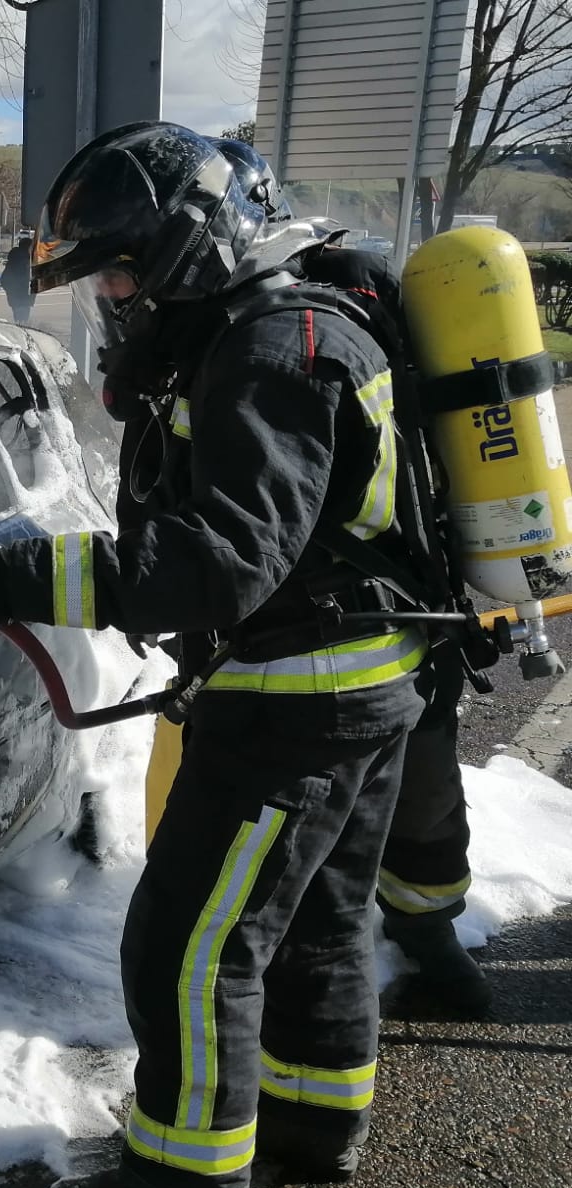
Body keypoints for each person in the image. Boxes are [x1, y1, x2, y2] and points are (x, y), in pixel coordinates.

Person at [0, 123, 431, 1188]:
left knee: (188, 949)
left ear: (194, 244)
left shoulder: (276, 353)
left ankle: (180, 1179)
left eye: (123, 268)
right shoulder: (281, 330)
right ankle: (317, 1128)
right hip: (355, 688)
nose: (114, 296)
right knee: (317, 928)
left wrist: (11, 578)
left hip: (294, 712)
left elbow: (216, 562)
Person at [215, 137, 491, 1014]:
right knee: (424, 786)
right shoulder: (361, 289)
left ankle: (403, 945)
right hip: (424, 587)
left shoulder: (285, 322)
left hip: (355, 603)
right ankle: (432, 940)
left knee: (384, 796)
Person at [1, 234, 34, 325]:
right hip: (22, 297)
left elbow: (4, 279)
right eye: (31, 246)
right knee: (23, 320)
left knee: (19, 319)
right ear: (27, 247)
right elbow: (27, 279)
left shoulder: (15, 258)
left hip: (16, 297)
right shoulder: (24, 260)